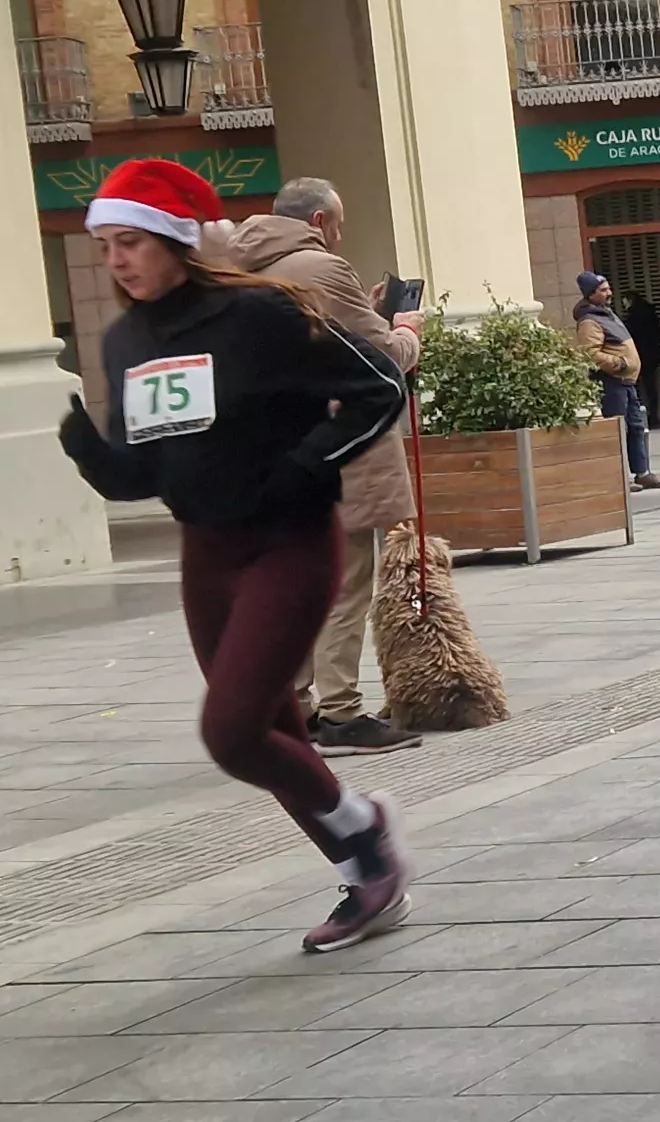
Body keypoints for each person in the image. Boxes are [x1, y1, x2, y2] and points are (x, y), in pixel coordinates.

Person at [56, 160, 413, 952]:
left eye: (132, 244)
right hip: (207, 554)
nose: (117, 261)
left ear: (178, 242)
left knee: (232, 731)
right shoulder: (125, 341)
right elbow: (145, 471)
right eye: (106, 246)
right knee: (272, 726)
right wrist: (91, 453)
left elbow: (377, 387)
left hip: (289, 541)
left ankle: (366, 833)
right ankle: (368, 880)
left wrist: (303, 467)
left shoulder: (260, 315)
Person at [221, 179, 428, 756]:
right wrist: (407, 327)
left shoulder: (241, 265)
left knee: (298, 582)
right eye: (337, 225)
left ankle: (299, 703)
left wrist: (362, 302)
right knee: (346, 580)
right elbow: (380, 355)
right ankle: (342, 711)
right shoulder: (322, 266)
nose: (340, 235)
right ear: (318, 220)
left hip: (276, 450)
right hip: (342, 444)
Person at [569, 273, 660, 490]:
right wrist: (620, 364)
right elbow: (590, 353)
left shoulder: (606, 314)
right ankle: (620, 478)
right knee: (617, 429)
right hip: (612, 382)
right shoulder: (589, 321)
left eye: (608, 288)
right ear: (591, 294)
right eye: (603, 290)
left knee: (636, 426)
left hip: (626, 382)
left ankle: (642, 473)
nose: (609, 293)